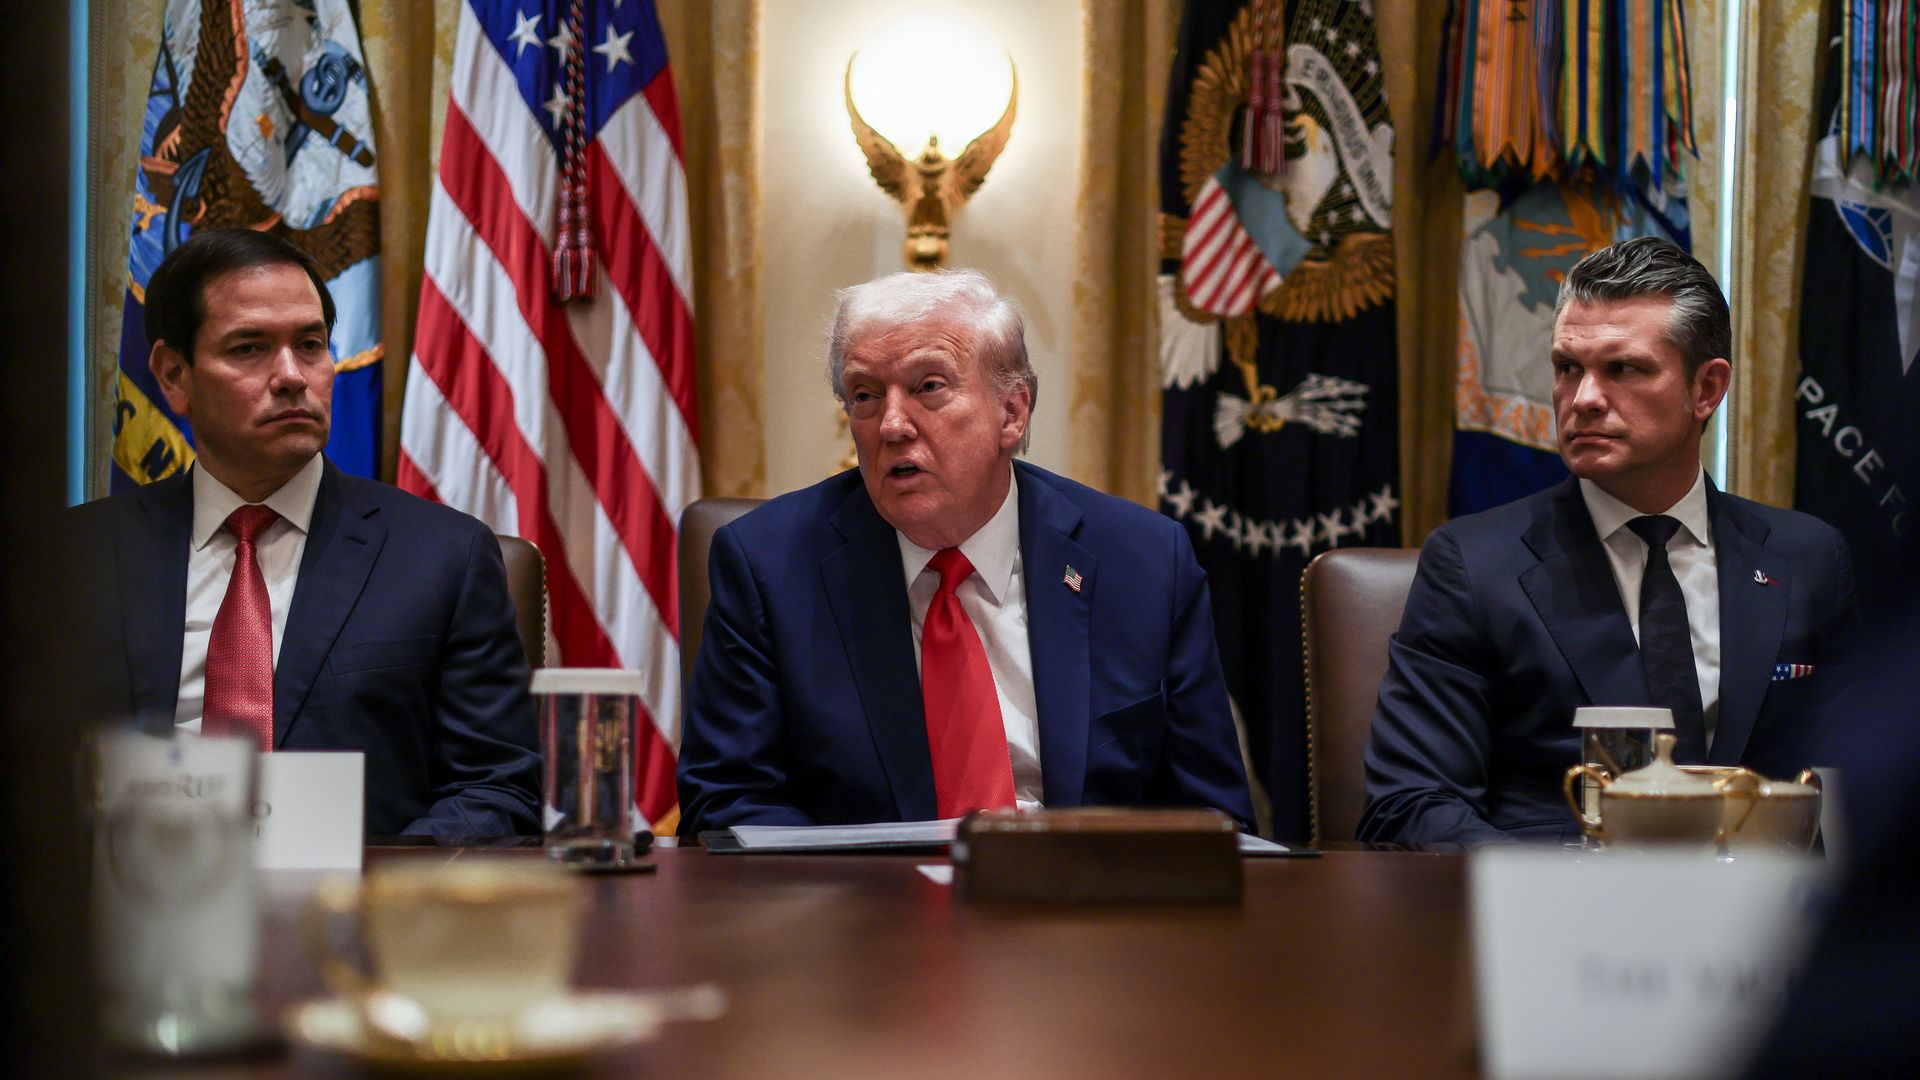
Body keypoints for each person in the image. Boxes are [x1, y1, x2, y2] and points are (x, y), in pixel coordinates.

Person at [678, 270, 1254, 835]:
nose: (892, 425)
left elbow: (1213, 817)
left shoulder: (1145, 561)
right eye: (865, 395)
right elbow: (727, 804)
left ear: (1013, 412)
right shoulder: (768, 566)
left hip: (1085, 910)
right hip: (866, 915)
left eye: (929, 386)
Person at [1358, 237, 1855, 845]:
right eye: (1569, 368)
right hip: (1554, 917)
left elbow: (1857, 788)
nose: (1584, 399)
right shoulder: (1473, 564)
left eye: (1624, 369)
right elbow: (1411, 805)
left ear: (1706, 390)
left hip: (1771, 922)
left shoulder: (1807, 558)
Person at [69, 228, 540, 836]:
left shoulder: (444, 557)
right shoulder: (71, 560)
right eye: (249, 349)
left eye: (311, 345)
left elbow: (497, 787)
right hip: (127, 910)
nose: (292, 375)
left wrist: (373, 893)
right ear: (173, 374)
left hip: (349, 915)